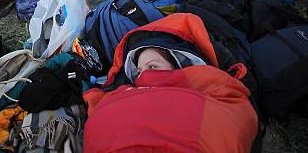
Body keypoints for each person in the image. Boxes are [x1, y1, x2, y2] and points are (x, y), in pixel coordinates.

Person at [83, 13, 258, 153]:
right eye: (138, 71)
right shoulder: (126, 93)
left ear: (177, 65)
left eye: (152, 65)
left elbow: (233, 123)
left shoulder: (207, 90)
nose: (144, 74)